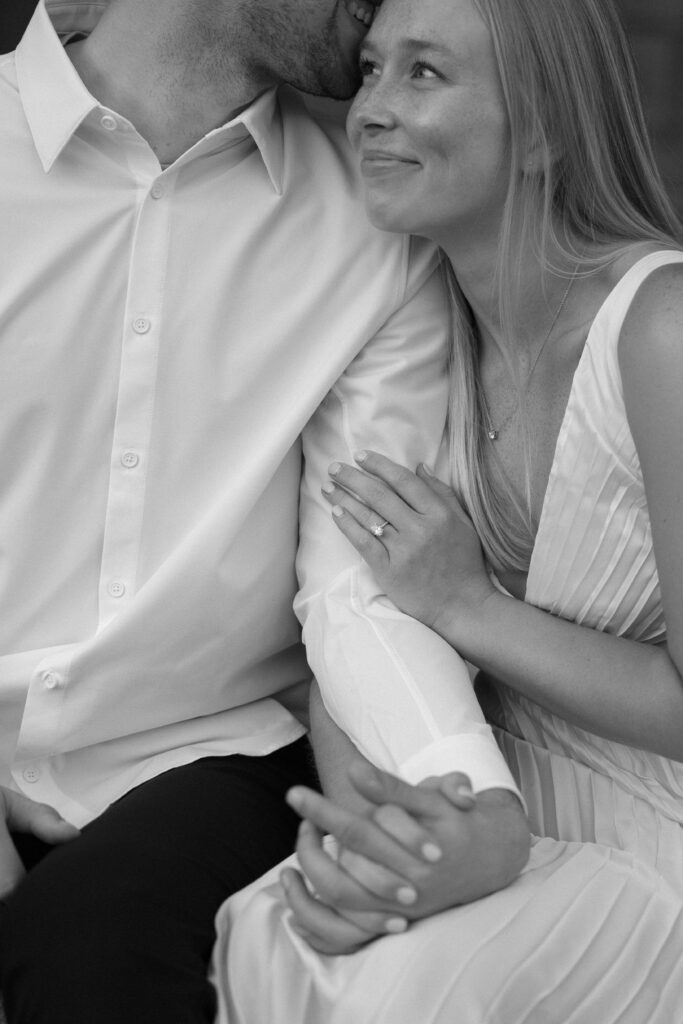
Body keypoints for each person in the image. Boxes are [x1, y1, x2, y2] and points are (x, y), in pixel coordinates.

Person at [0, 1, 529, 1022]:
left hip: (205, 758)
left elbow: (356, 575)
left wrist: (460, 794)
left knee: (91, 958)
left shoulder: (378, 225)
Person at [210, 0, 683, 1020]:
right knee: (281, 938)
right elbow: (346, 607)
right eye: (372, 69)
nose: (368, 109)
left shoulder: (660, 332)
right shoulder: (415, 335)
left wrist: (468, 607)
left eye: (422, 74)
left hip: (655, 858)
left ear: (547, 128)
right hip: (487, 824)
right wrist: (384, 833)